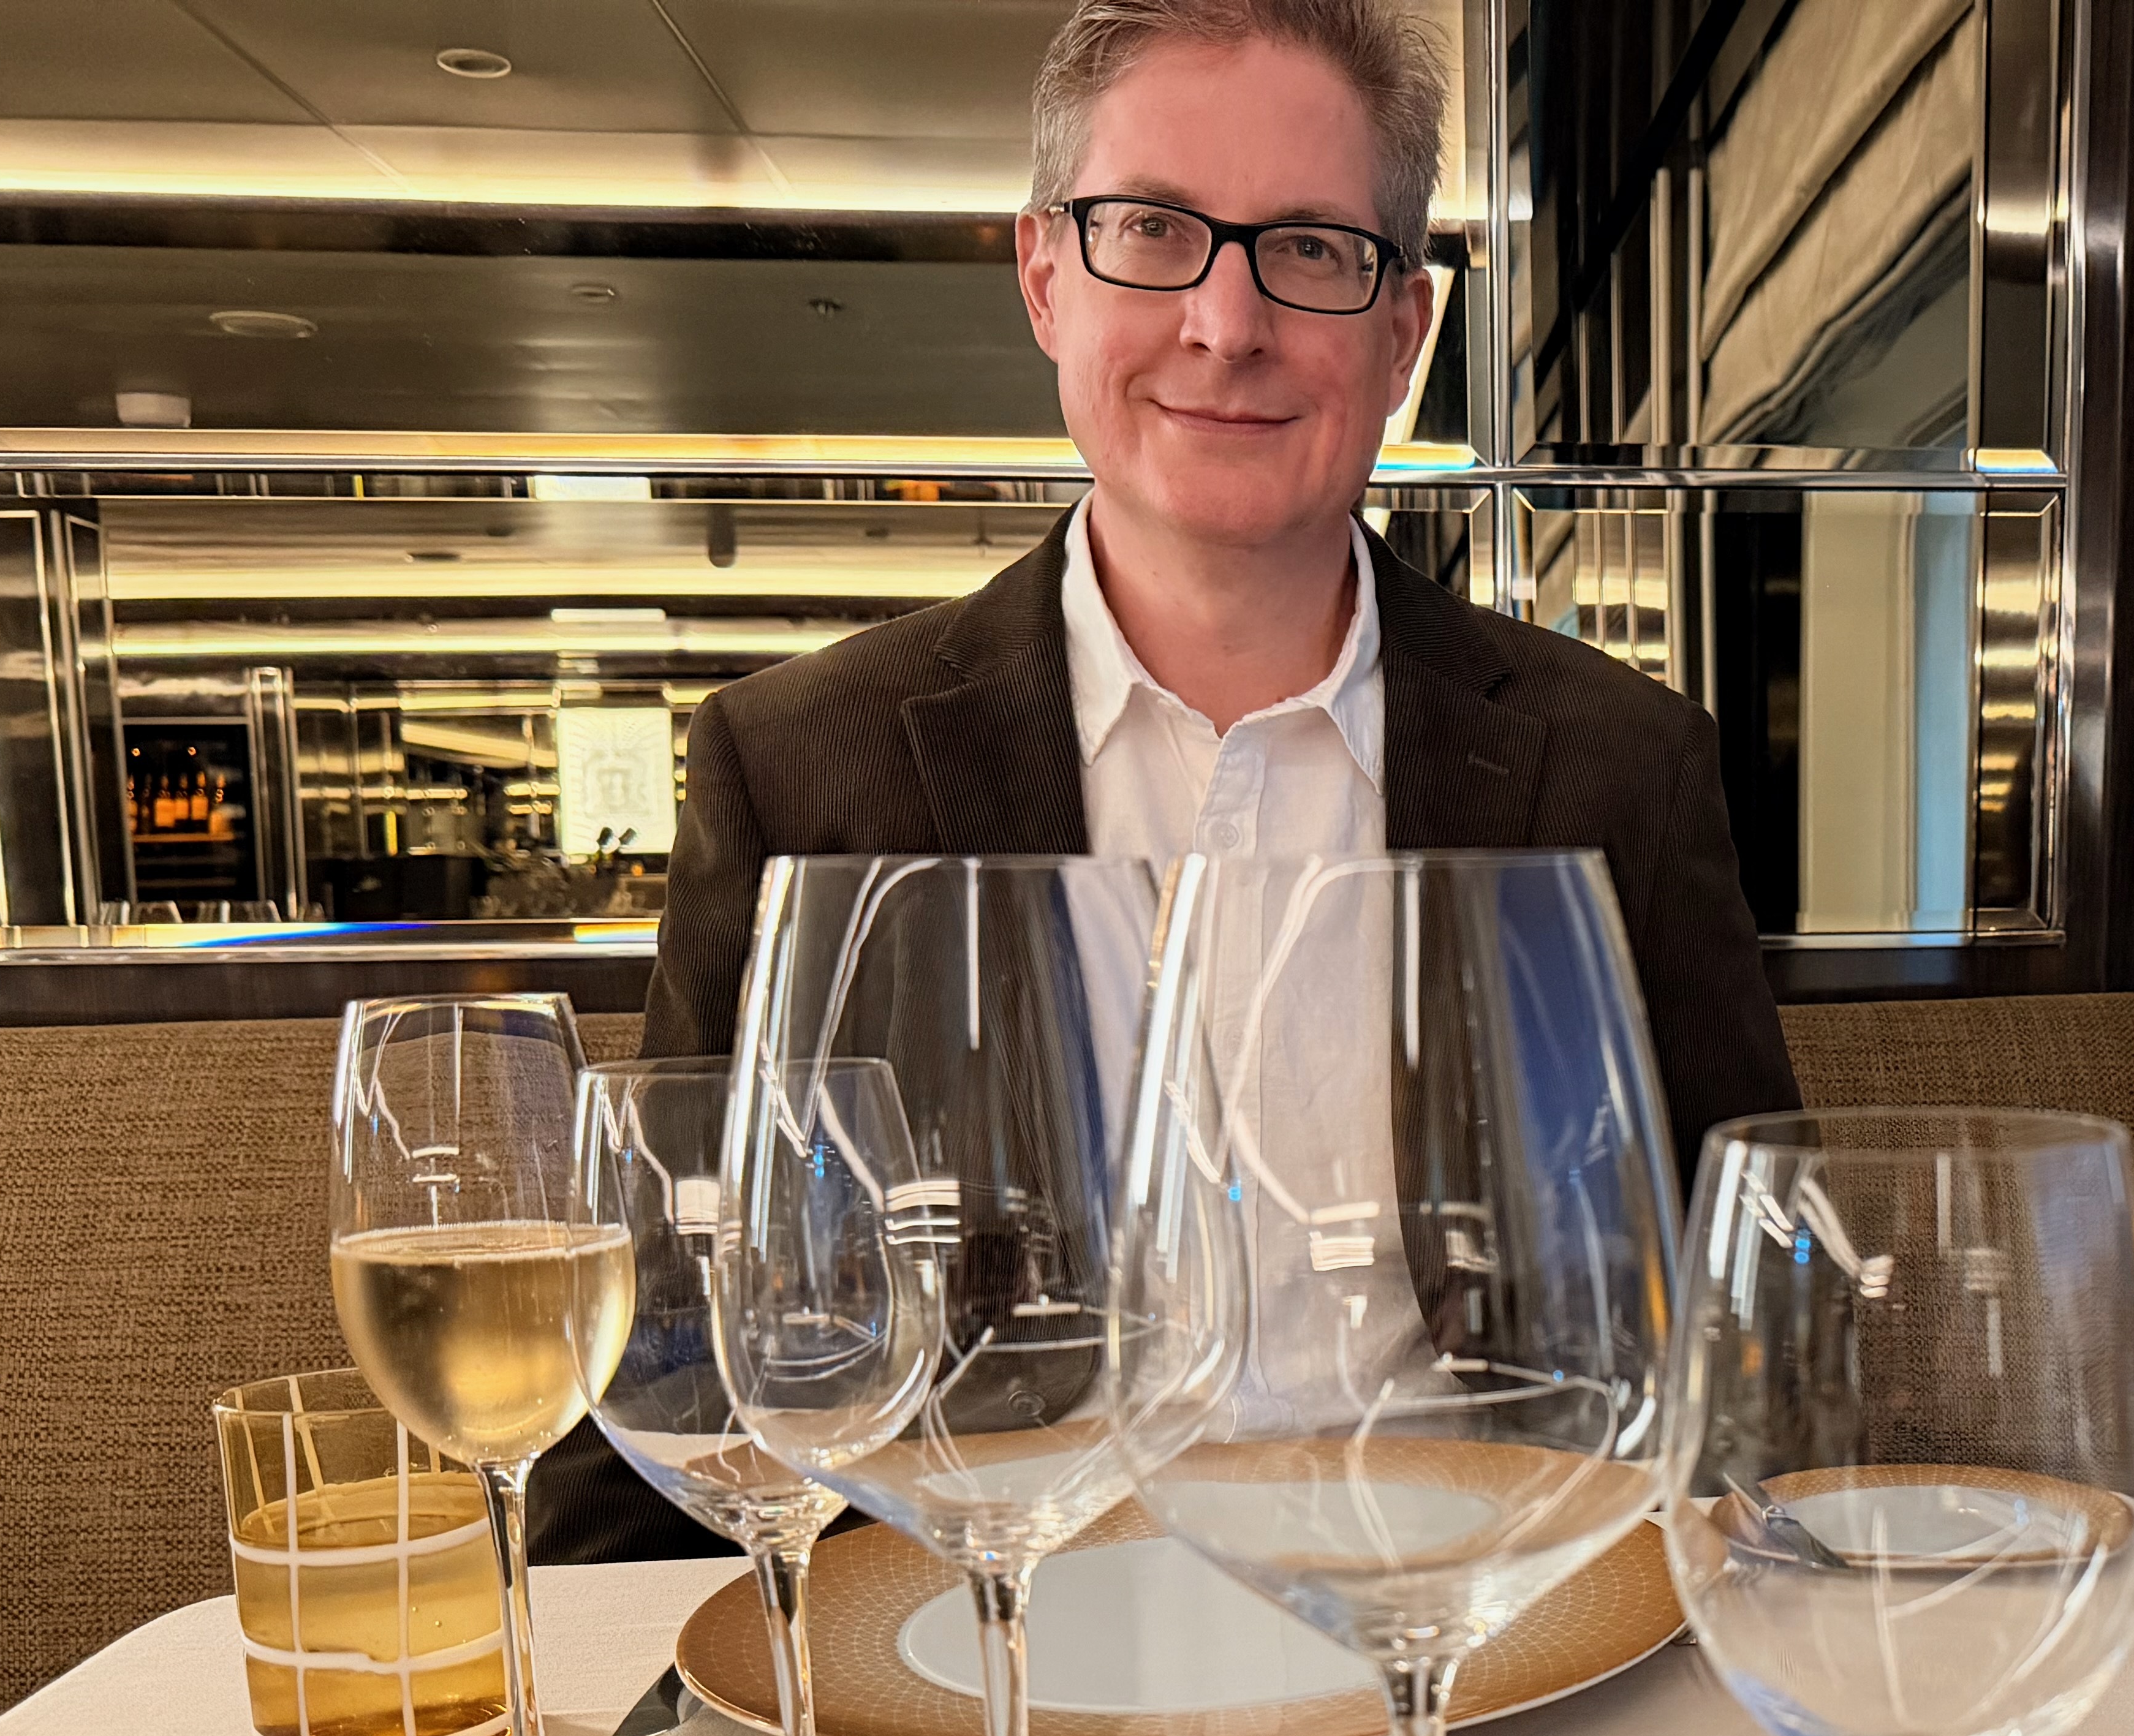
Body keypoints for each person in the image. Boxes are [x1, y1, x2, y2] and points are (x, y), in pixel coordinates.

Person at [537, 0, 1798, 1561]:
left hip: (1490, 1665)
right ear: (1045, 275)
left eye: (1314, 248)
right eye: (1153, 230)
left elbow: (1764, 1358)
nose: (1226, 322)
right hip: (983, 1682)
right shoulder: (800, 767)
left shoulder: (1617, 767)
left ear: (1405, 330)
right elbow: (654, 1412)